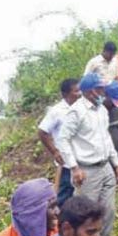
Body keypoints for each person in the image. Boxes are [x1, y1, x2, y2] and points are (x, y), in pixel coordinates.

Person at [57, 73, 118, 236]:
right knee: (84, 216)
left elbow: (106, 138)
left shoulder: (102, 110)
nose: (103, 93)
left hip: (105, 167)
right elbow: (63, 139)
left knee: (108, 211)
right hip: (87, 170)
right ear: (90, 91)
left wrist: (117, 162)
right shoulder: (77, 111)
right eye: (99, 89)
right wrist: (74, 167)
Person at [38, 78, 81, 206]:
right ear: (65, 94)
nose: (80, 94)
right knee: (64, 197)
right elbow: (42, 132)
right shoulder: (57, 111)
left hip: (82, 161)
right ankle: (60, 224)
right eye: (76, 91)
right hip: (66, 163)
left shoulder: (82, 108)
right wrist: (55, 152)